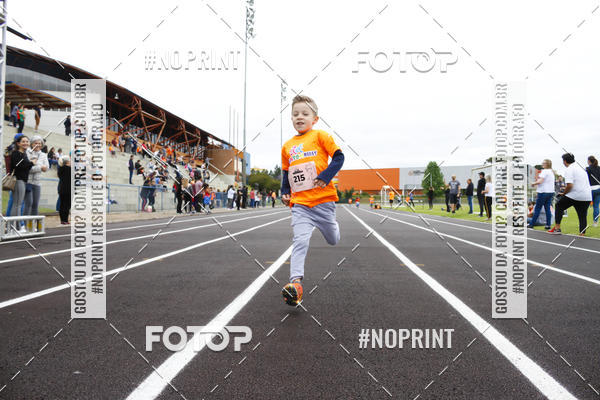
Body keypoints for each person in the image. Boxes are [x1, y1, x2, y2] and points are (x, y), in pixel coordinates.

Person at [280, 95, 345, 306]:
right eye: (295, 114)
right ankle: (296, 284)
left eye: (305, 114)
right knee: (300, 241)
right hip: (301, 205)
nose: (300, 117)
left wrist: (325, 176)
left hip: (323, 202)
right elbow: (286, 172)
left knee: (333, 239)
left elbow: (339, 157)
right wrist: (285, 191)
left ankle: (333, 226)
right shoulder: (287, 146)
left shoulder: (320, 136)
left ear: (314, 119)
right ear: (291, 118)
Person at [549, 153, 592, 235]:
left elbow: (570, 185)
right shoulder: (581, 168)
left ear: (565, 161)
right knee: (582, 216)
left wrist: (563, 194)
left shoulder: (569, 169)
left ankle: (557, 229)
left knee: (559, 206)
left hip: (575, 195)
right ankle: (582, 235)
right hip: (587, 196)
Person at [9, 135, 35, 232]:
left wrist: (30, 163)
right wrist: (31, 163)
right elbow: (18, 166)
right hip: (18, 180)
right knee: (17, 204)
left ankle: (14, 227)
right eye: (23, 141)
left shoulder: (24, 154)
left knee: (17, 203)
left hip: (23, 180)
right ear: (18, 143)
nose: (26, 143)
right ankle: (15, 227)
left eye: (27, 141)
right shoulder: (16, 153)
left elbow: (25, 167)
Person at [24, 136, 49, 220]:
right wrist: (40, 167)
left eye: (40, 143)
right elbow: (28, 169)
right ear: (31, 144)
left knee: (35, 205)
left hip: (37, 183)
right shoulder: (27, 153)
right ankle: (24, 224)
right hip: (28, 182)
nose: (38, 145)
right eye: (36, 143)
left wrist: (39, 167)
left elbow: (47, 168)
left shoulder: (43, 155)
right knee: (28, 204)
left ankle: (32, 224)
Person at [528, 159, 555, 230]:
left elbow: (540, 181)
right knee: (547, 209)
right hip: (550, 192)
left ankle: (531, 224)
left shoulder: (545, 171)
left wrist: (533, 183)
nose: (542, 164)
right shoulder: (551, 172)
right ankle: (548, 225)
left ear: (547, 164)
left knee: (537, 208)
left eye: (543, 163)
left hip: (543, 192)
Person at [586, 155, 600, 227]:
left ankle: (584, 223)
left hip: (590, 189)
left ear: (589, 161)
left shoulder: (588, 169)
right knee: (596, 206)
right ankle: (595, 223)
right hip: (598, 189)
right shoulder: (599, 168)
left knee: (585, 206)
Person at [57, 156, 71, 224]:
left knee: (62, 205)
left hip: (62, 189)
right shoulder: (70, 169)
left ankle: (63, 220)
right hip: (68, 189)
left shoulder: (60, 168)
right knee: (67, 205)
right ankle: (65, 219)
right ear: (67, 162)